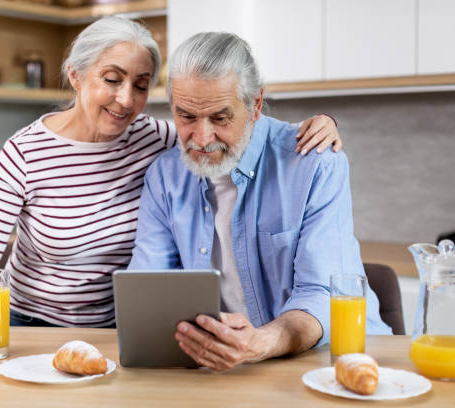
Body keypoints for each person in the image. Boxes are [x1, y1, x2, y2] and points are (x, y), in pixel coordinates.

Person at [0, 17, 342, 362]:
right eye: (111, 79)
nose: (126, 100)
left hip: (115, 330)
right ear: (75, 75)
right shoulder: (25, 153)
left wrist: (323, 123)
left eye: (141, 85)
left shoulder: (159, 139)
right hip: (31, 326)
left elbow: (228, 131)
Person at [127, 31, 392, 371]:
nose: (202, 138)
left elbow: (322, 294)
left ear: (254, 105)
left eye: (220, 118)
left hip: (334, 361)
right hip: (229, 369)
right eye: (187, 117)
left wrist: (261, 342)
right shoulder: (165, 177)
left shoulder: (314, 163)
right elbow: (147, 291)